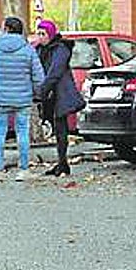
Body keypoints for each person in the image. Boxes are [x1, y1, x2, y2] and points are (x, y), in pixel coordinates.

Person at [0, 16, 45, 182]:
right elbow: (39, 77)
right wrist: (38, 95)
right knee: (22, 133)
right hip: (23, 99)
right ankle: (23, 170)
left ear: (6, 28)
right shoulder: (28, 49)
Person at [34, 19, 85, 177]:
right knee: (57, 129)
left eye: (43, 34)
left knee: (61, 127)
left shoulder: (61, 49)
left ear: (51, 35)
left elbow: (55, 71)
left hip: (61, 92)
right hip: (50, 93)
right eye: (38, 34)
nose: (40, 37)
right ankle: (61, 163)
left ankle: (63, 163)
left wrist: (42, 89)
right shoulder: (40, 50)